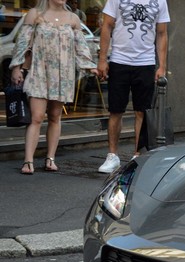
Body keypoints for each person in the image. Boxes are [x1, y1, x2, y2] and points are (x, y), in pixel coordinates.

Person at [9, 0, 97, 175]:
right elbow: (22, 43)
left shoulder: (73, 18)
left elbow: (81, 47)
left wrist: (89, 66)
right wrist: (16, 67)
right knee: (37, 116)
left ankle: (50, 158)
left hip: (63, 74)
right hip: (39, 71)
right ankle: (28, 160)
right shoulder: (35, 14)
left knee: (55, 116)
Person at [96, 0, 170, 174]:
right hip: (119, 60)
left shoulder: (160, 1)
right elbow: (106, 26)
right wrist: (102, 59)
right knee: (115, 110)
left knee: (142, 111)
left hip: (145, 62)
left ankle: (138, 156)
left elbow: (162, 33)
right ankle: (112, 156)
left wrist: (162, 66)